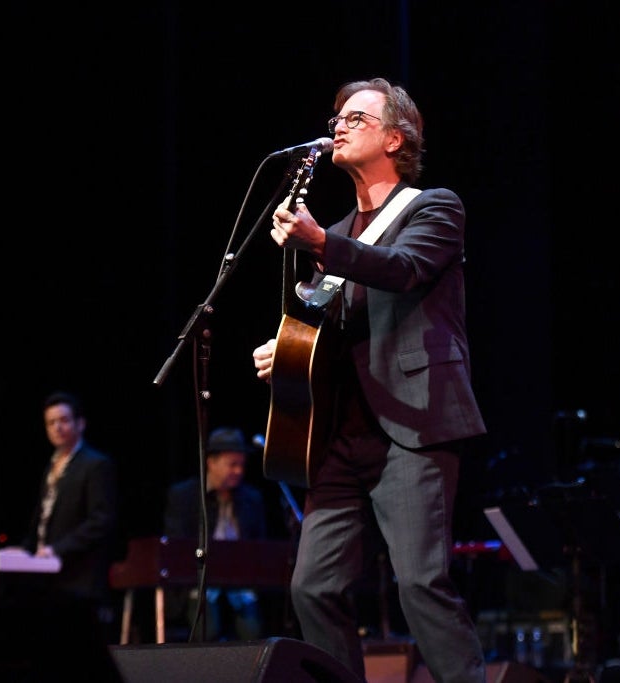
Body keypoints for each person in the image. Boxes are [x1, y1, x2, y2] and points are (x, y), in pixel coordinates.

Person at [252, 77, 487, 682]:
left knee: (421, 587)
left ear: (395, 137)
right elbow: (330, 327)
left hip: (411, 424)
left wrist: (321, 244)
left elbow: (404, 269)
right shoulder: (336, 232)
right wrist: (288, 350)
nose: (339, 126)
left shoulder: (435, 206)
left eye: (356, 118)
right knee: (312, 588)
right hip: (340, 439)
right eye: (338, 118)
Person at [20, 391, 119, 625]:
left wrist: (57, 549)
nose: (57, 427)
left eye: (63, 420)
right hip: (49, 576)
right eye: (51, 423)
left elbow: (100, 520)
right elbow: (43, 519)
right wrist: (25, 550)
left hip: (79, 577)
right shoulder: (51, 466)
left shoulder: (95, 464)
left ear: (80, 423)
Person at [163, 427, 268, 642]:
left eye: (241, 465)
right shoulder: (185, 496)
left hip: (240, 583)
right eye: (232, 464)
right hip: (200, 582)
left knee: (252, 632)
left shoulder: (251, 499)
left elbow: (260, 548)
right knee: (207, 628)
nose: (238, 471)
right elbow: (177, 547)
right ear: (211, 462)